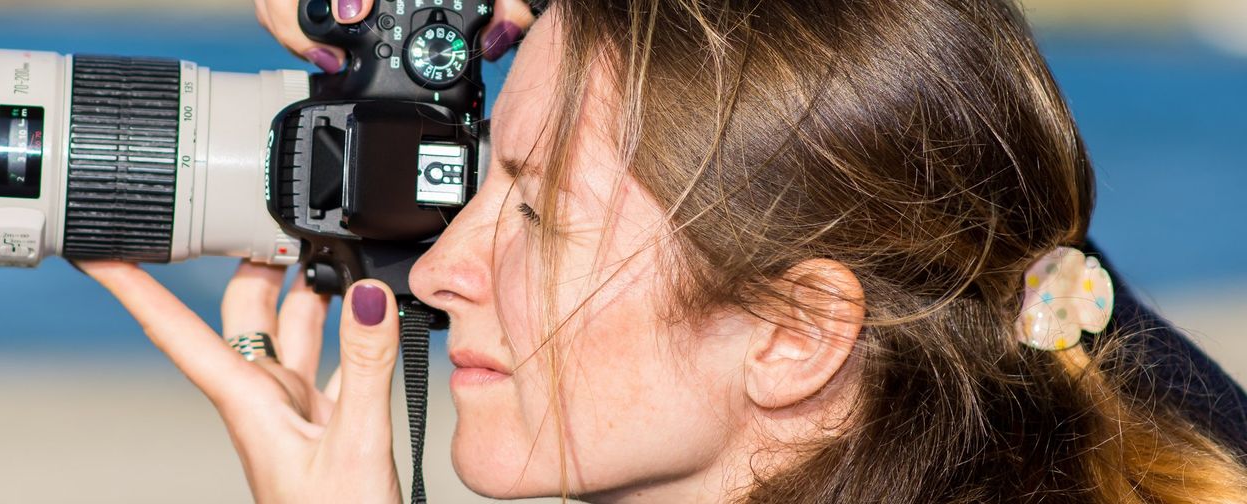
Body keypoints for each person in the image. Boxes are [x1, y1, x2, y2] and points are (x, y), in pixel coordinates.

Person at [75, 0, 1247, 501]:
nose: (433, 274)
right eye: (484, 182)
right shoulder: (1032, 339)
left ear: (795, 336)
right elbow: (1024, 259)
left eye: (536, 214)